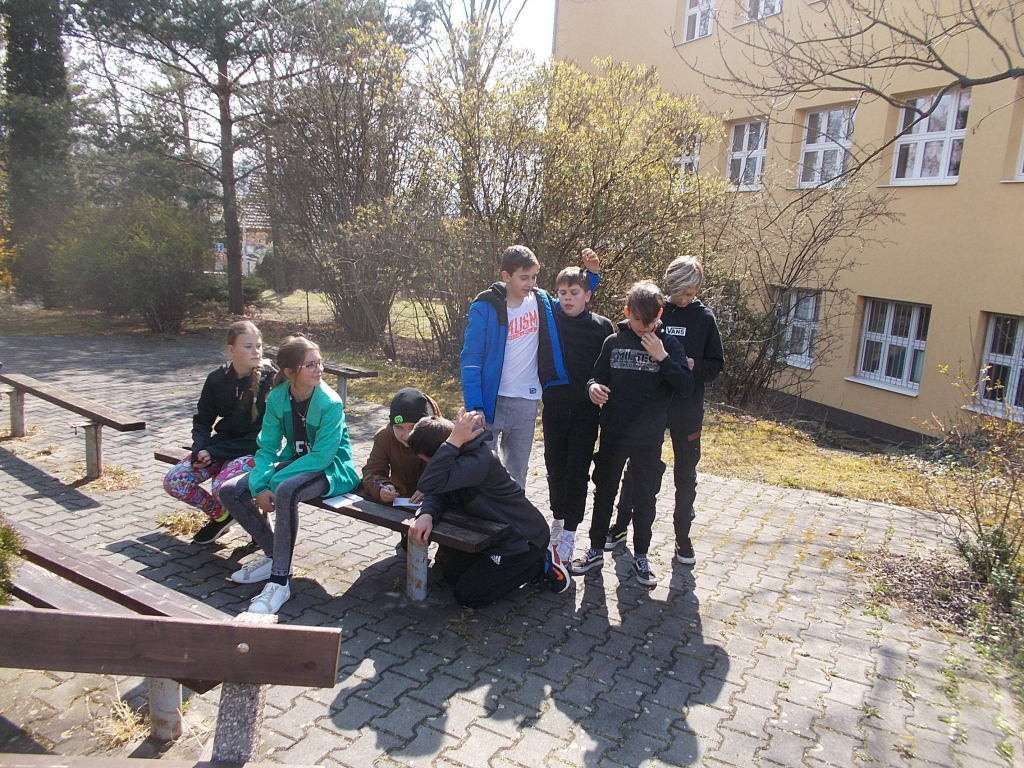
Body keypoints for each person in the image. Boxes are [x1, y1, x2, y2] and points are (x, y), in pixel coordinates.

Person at [217, 335, 360, 615]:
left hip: (331, 469)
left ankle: (279, 581)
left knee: (286, 491)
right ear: (289, 371)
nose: (319, 369)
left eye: (319, 363)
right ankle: (275, 556)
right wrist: (260, 484)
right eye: (310, 365)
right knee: (230, 490)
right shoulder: (278, 397)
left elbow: (322, 457)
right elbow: (267, 446)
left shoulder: (331, 403)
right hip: (295, 463)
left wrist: (273, 481)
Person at [568, 281, 694, 586]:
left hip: (648, 438)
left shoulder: (668, 345)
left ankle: (641, 556)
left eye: (649, 321)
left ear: (659, 315)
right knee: (604, 491)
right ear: (627, 313)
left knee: (645, 497)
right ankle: (595, 549)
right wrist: (592, 388)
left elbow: (686, 387)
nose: (643, 327)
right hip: (613, 432)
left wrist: (663, 357)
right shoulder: (613, 342)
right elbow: (596, 377)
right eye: (637, 320)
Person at [607, 256, 724, 565]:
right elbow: (629, 336)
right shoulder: (657, 309)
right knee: (636, 471)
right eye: (678, 293)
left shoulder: (705, 318)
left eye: (690, 293)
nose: (683, 299)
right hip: (650, 409)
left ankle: (682, 537)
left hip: (687, 409)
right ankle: (620, 526)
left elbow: (716, 364)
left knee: (685, 474)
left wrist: (694, 366)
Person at [460, 245, 600, 488]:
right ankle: (478, 513)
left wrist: (592, 274)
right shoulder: (485, 307)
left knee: (518, 472)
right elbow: (471, 359)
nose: (531, 283)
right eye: (524, 277)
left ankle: (514, 512)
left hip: (526, 401)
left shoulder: (541, 301)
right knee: (480, 469)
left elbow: (574, 301)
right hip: (490, 401)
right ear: (506, 276)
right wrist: (475, 405)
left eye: (534, 277)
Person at [406, 409, 570, 608]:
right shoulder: (456, 456)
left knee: (468, 596)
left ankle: (538, 565)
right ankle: (502, 567)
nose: (429, 465)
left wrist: (452, 441)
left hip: (521, 540)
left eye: (429, 461)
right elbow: (437, 490)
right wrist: (426, 514)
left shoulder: (478, 461)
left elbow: (429, 484)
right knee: (450, 575)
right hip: (493, 535)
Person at [163, 320, 275, 545]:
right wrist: (200, 449)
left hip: (255, 451)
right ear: (231, 350)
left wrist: (214, 451)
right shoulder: (217, 379)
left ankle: (258, 524)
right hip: (220, 448)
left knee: (223, 488)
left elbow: (262, 436)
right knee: (175, 481)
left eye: (259, 346)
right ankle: (222, 517)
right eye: (248, 346)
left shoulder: (270, 381)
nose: (256, 351)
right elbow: (203, 419)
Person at [542, 266, 614, 562]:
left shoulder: (602, 327)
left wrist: (600, 388)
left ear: (588, 295)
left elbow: (608, 368)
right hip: (554, 409)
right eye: (562, 293)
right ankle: (558, 520)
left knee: (577, 473)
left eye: (574, 293)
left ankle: (571, 533)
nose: (568, 298)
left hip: (586, 413)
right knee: (554, 468)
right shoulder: (550, 321)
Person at [361, 387, 442, 505]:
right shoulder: (384, 437)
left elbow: (451, 473)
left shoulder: (440, 436)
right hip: (399, 499)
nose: (407, 435)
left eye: (413, 427)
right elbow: (372, 471)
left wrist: (431, 488)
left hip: (434, 504)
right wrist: (381, 487)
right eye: (399, 427)